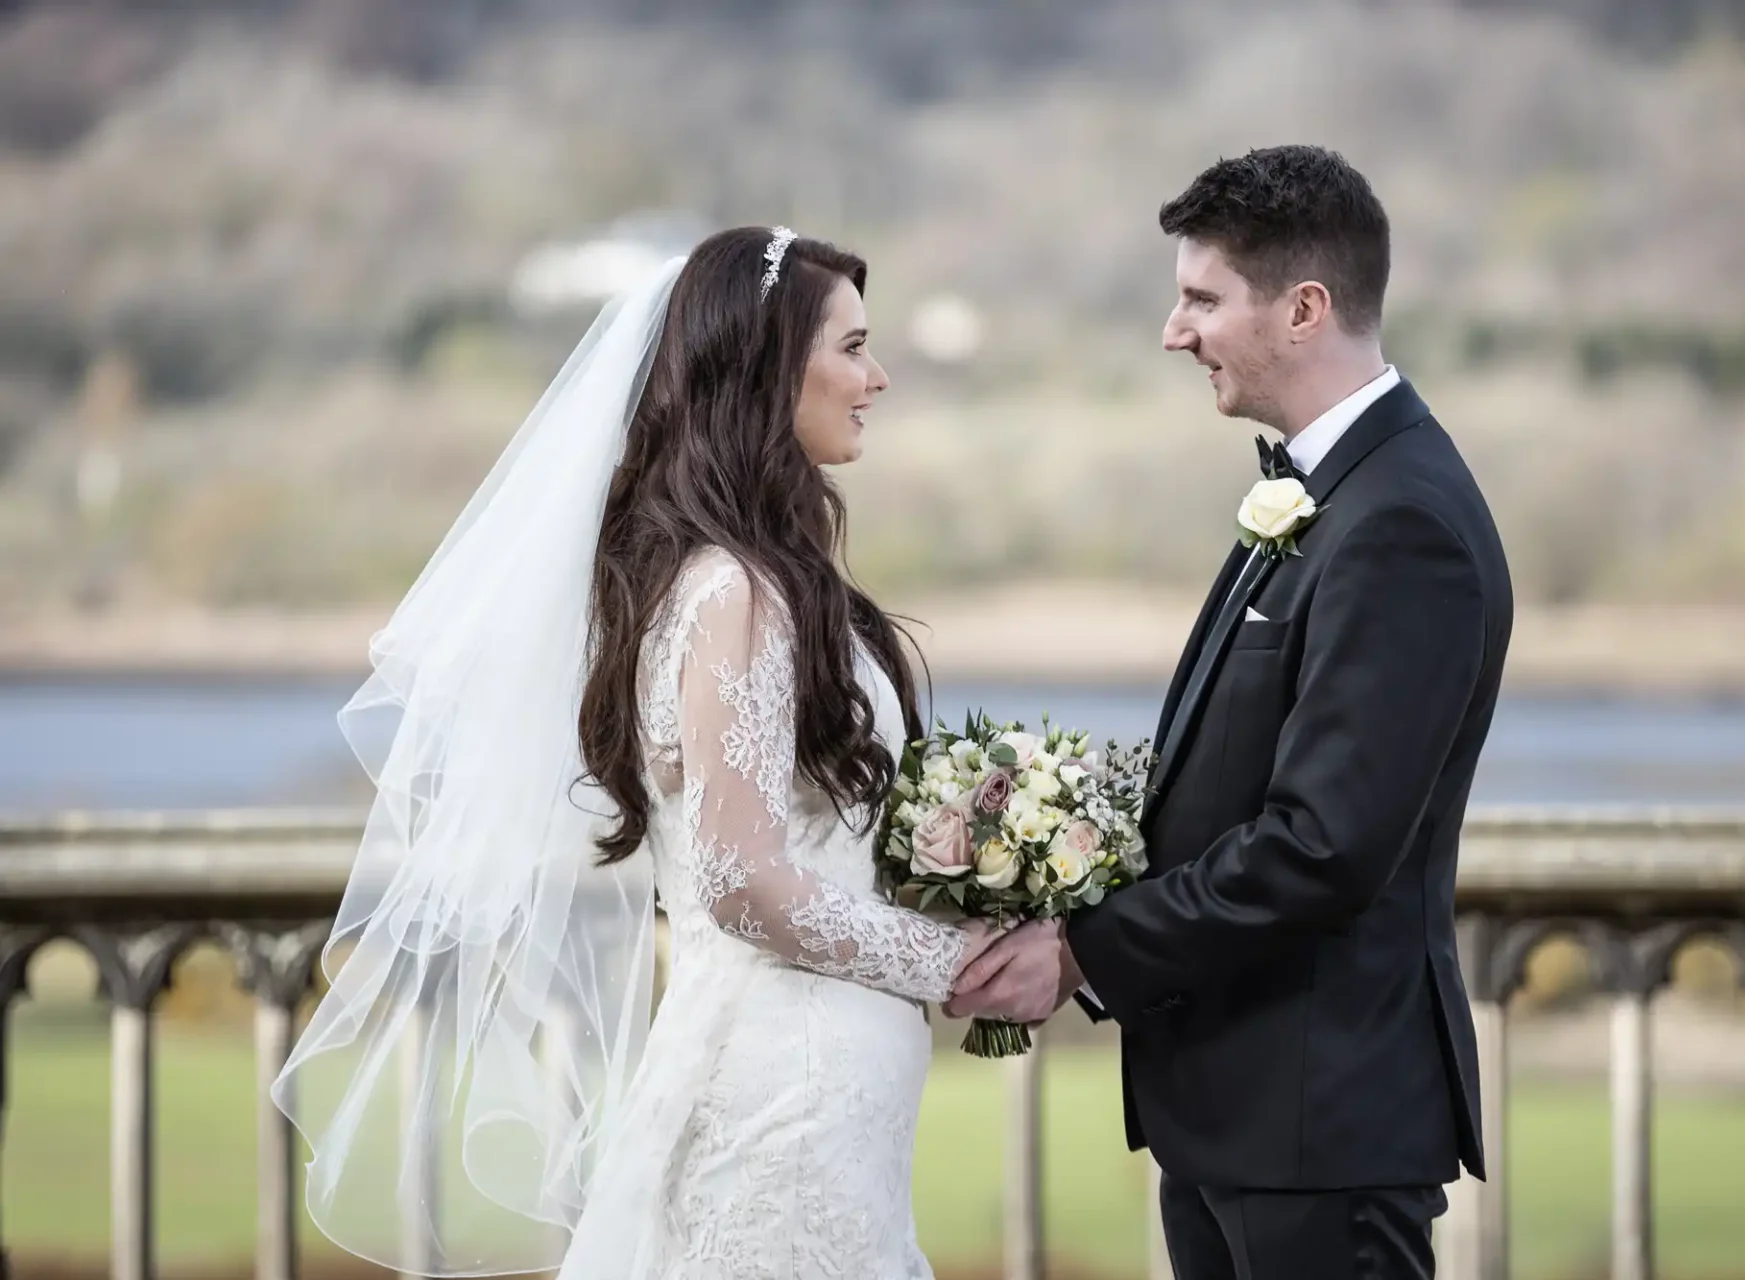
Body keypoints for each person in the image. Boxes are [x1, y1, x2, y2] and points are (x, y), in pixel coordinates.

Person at [274, 226, 994, 1280]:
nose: (876, 377)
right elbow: (742, 877)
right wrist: (960, 962)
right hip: (783, 1084)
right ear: (764, 365)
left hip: (821, 1083)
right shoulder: (735, 594)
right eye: (852, 347)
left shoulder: (735, 580)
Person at [948, 146, 1515, 1280]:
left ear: (1304, 308)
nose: (1175, 329)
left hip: (1319, 1126)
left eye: (1203, 298)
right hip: (1245, 1120)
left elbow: (1322, 847)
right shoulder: (1329, 492)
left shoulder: (1403, 522)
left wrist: (1083, 951)